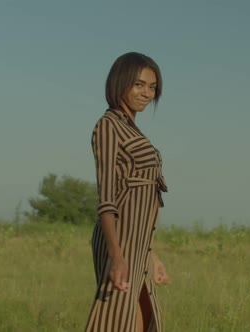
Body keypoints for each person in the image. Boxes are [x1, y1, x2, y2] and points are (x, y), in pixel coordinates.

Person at [85, 52, 170, 332]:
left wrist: (151, 255)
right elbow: (107, 199)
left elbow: (140, 203)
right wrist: (116, 255)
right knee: (118, 322)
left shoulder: (132, 129)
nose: (147, 93)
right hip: (119, 241)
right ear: (120, 82)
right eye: (139, 85)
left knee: (145, 322)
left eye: (152, 87)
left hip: (137, 244)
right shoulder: (109, 126)